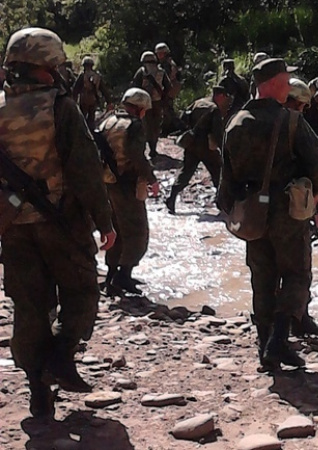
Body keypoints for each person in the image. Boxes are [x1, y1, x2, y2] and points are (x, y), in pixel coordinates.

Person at [0, 27, 116, 419]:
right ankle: (62, 354)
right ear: (46, 66)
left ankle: (38, 387)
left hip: (12, 227)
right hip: (61, 222)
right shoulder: (60, 107)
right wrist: (104, 221)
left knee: (30, 306)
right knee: (82, 292)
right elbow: (85, 170)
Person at [218, 58, 318, 369]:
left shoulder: (234, 121)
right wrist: (315, 192)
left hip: (252, 213)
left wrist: (229, 209)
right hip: (288, 213)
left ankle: (264, 347)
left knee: (262, 278)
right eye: (284, 81)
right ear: (272, 84)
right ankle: (278, 342)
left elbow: (225, 174)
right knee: (297, 274)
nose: (288, 87)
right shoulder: (291, 120)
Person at [98, 88, 160, 296]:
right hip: (127, 185)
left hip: (107, 183)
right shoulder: (134, 126)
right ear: (141, 108)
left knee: (116, 230)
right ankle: (123, 276)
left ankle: (111, 275)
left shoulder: (108, 121)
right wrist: (152, 179)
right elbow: (137, 156)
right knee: (137, 232)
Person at [283, 77, 318, 337]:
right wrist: (316, 202)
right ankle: (298, 320)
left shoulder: (254, 121)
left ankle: (269, 324)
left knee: (266, 268)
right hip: (293, 207)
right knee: (298, 268)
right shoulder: (296, 125)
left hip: (258, 206)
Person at [165, 86, 232, 214]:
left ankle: (171, 198)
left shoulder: (198, 103)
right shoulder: (214, 109)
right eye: (224, 97)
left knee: (186, 172)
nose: (225, 100)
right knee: (218, 173)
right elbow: (218, 133)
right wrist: (224, 148)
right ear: (220, 96)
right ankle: (221, 203)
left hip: (191, 145)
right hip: (207, 148)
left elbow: (183, 117)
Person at [131, 51, 171, 158]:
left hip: (144, 103)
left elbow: (134, 86)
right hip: (157, 102)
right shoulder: (161, 72)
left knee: (146, 125)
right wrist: (163, 99)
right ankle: (154, 147)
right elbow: (168, 87)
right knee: (156, 125)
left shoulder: (141, 72)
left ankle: (149, 148)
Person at [72, 56, 110, 130]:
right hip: (93, 100)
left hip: (83, 101)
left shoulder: (82, 76)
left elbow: (75, 89)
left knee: (82, 119)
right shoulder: (97, 76)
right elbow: (104, 89)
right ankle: (92, 133)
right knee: (91, 119)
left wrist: (73, 101)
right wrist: (109, 101)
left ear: (84, 66)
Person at [155, 42, 182, 131]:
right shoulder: (167, 63)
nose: (158, 55)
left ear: (165, 53)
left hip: (170, 88)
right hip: (171, 87)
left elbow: (167, 78)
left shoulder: (167, 64)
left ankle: (178, 126)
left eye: (160, 53)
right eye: (157, 53)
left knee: (167, 109)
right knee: (167, 108)